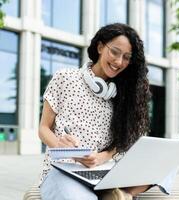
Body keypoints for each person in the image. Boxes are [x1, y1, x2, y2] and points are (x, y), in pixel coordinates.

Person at [38, 23, 151, 200]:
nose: (119, 62)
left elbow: (122, 143)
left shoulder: (123, 95)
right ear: (100, 47)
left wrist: (102, 157)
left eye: (126, 57)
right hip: (63, 170)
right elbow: (44, 128)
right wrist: (62, 146)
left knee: (164, 165)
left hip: (103, 170)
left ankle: (124, 194)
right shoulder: (65, 77)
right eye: (114, 52)